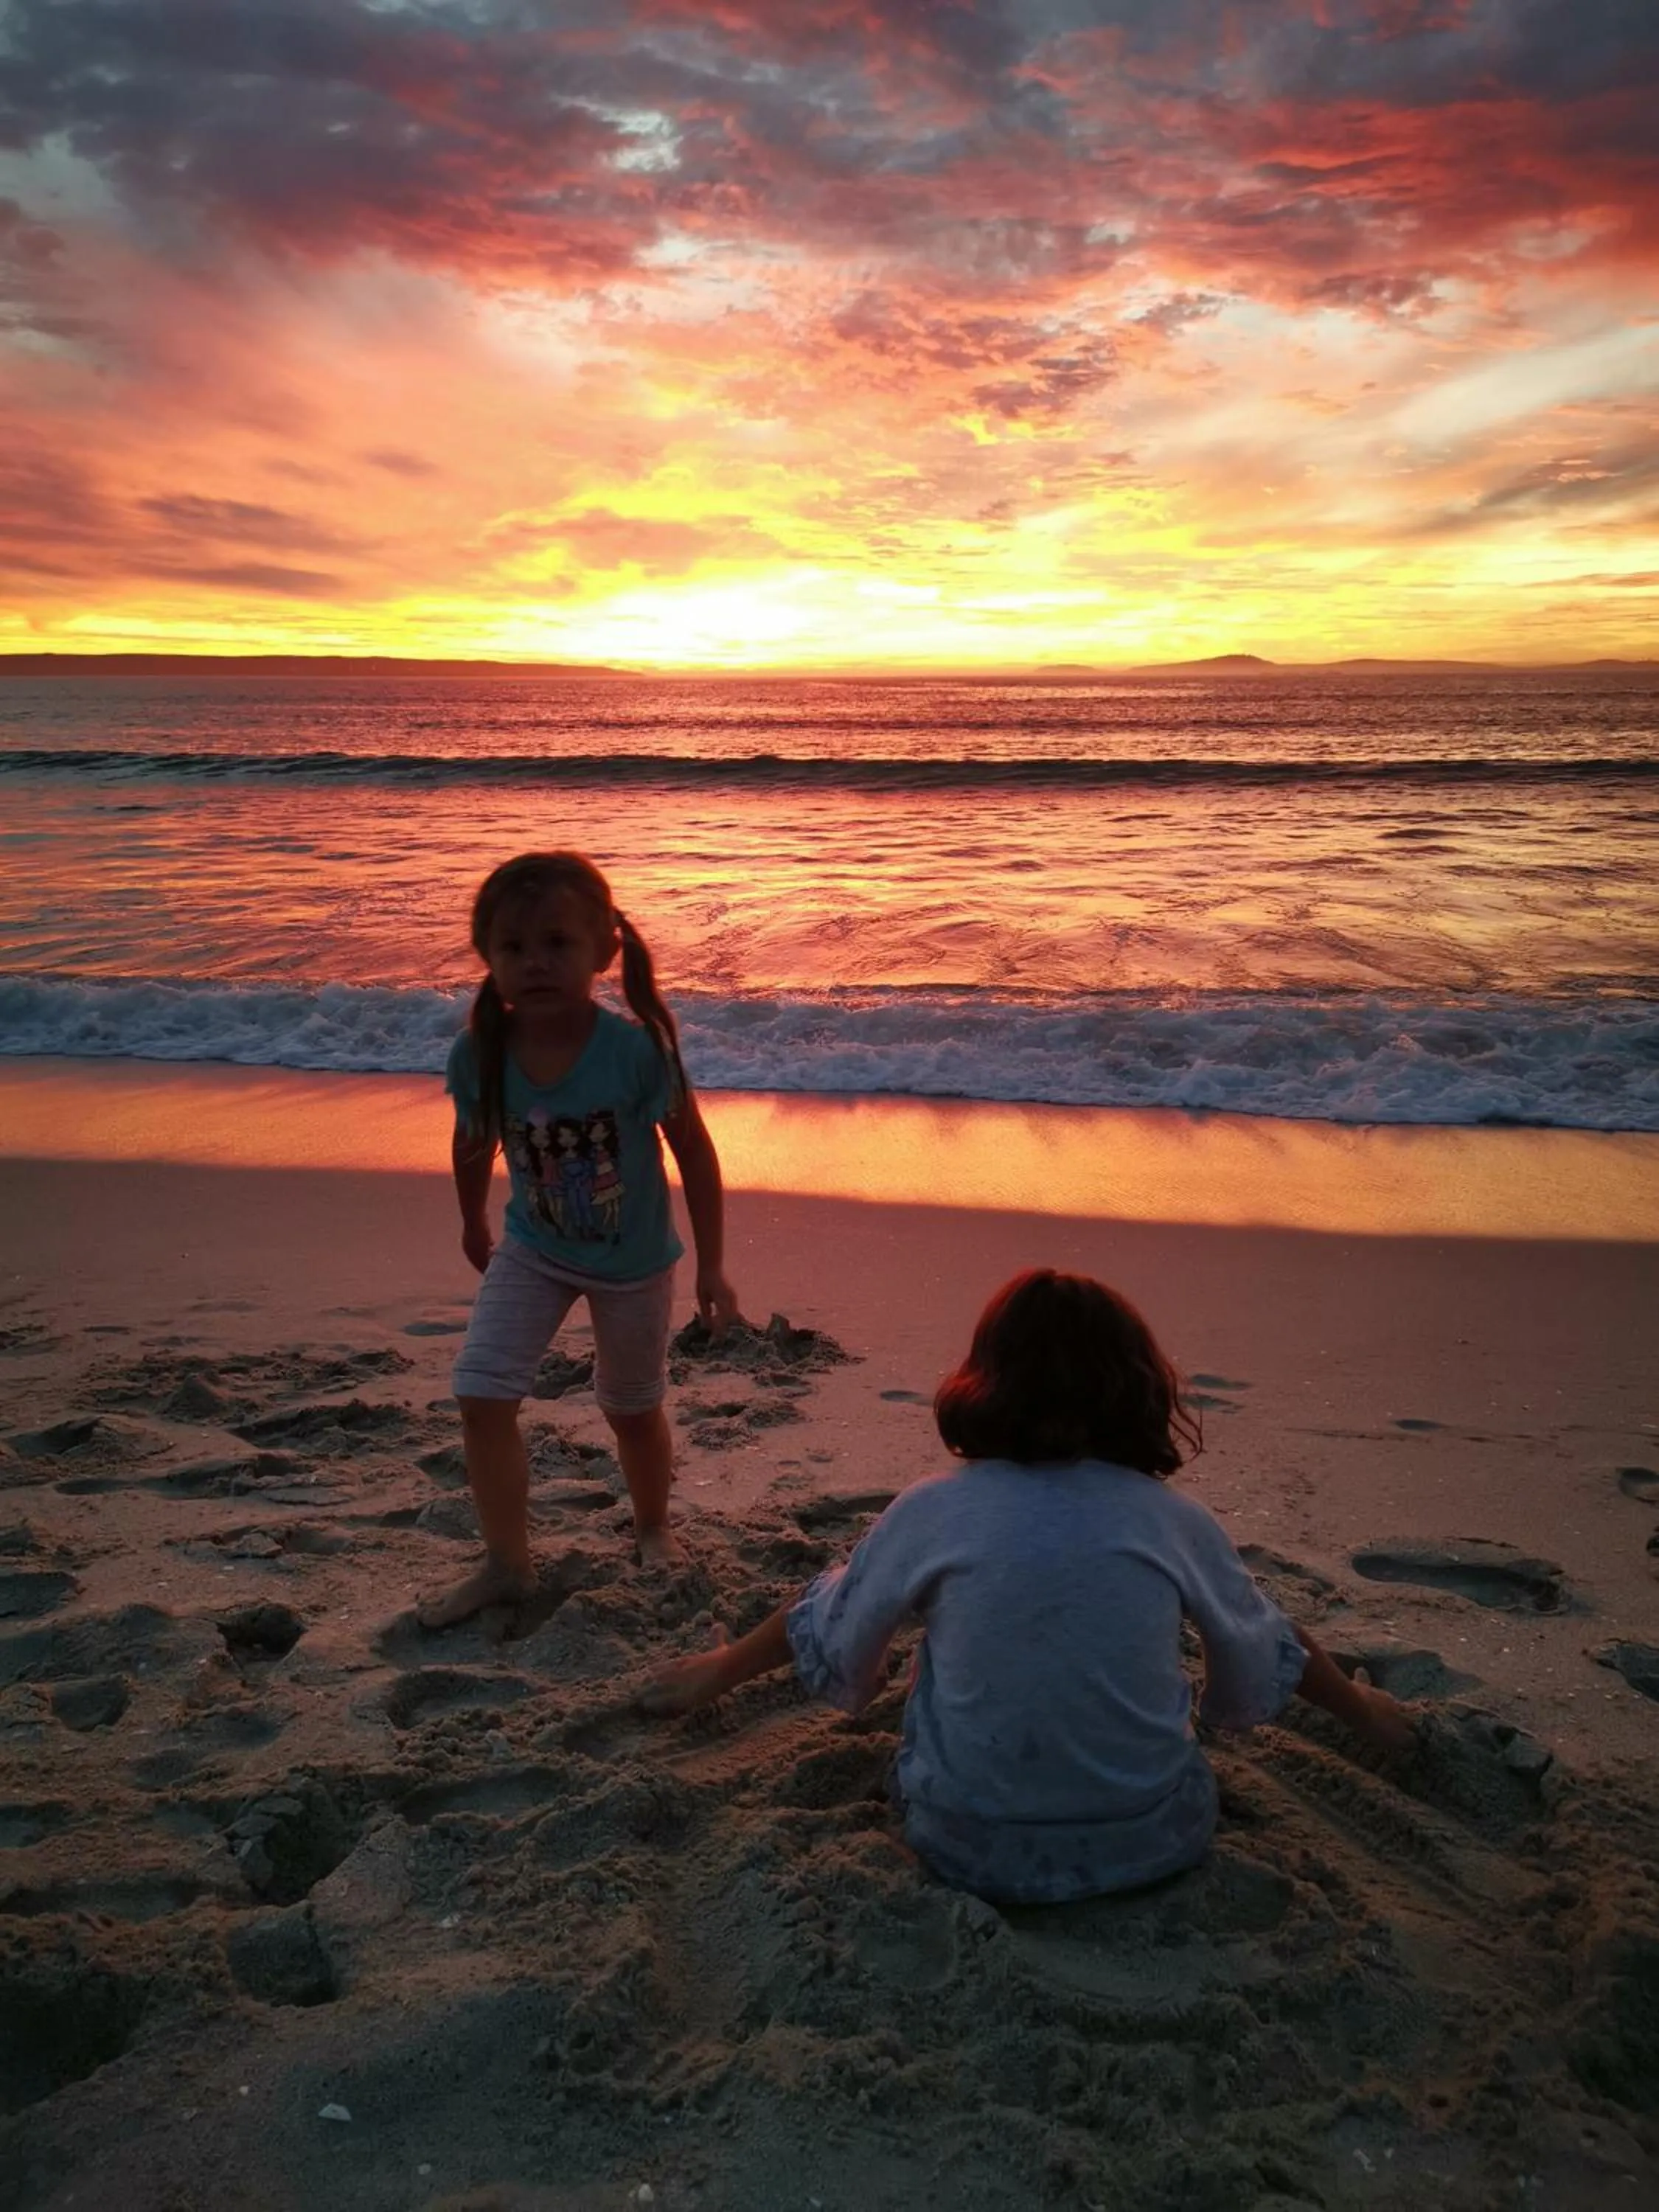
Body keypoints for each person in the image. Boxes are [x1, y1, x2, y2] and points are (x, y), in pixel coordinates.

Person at [640, 1270, 1413, 1904]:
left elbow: (830, 1627)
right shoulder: (1173, 1519)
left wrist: (718, 1671)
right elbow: (1267, 1651)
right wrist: (1363, 1709)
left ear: (984, 1383)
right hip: (1154, 1843)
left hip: (961, 1847)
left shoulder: (935, 1508)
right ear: (1142, 1390)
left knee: (925, 1684)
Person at [421, 850, 739, 1630]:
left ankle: (654, 1525)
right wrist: (472, 1219)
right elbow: (472, 1141)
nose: (535, 963)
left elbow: (693, 1148)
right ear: (487, 957)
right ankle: (506, 1563)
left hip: (632, 1262)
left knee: (631, 1410)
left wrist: (714, 1265)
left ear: (604, 951)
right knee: (481, 1391)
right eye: (514, 948)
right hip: (534, 1245)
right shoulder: (481, 1053)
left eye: (557, 944)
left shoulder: (633, 1052)